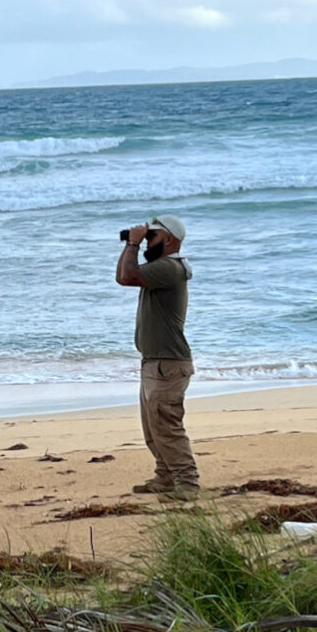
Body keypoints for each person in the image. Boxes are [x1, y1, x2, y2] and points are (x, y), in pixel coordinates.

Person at [115, 214, 199, 499]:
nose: (148, 239)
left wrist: (133, 245)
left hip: (168, 364)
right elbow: (121, 277)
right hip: (155, 362)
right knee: (153, 428)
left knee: (167, 427)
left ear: (170, 240)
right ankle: (165, 475)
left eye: (153, 235)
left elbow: (128, 276)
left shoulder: (169, 268)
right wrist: (131, 244)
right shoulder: (159, 269)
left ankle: (187, 484)